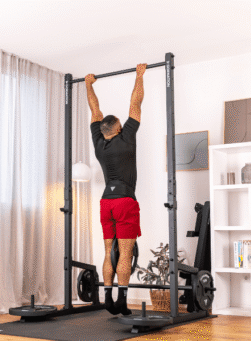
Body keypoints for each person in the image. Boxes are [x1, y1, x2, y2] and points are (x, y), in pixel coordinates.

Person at [86, 63, 147, 316]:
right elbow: (136, 104)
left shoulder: (98, 141)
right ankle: (122, 301)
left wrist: (88, 84)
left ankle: (107, 297)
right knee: (125, 252)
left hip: (106, 203)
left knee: (107, 250)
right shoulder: (127, 138)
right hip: (124, 201)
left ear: (103, 130)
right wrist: (139, 76)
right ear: (119, 129)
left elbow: (94, 109)